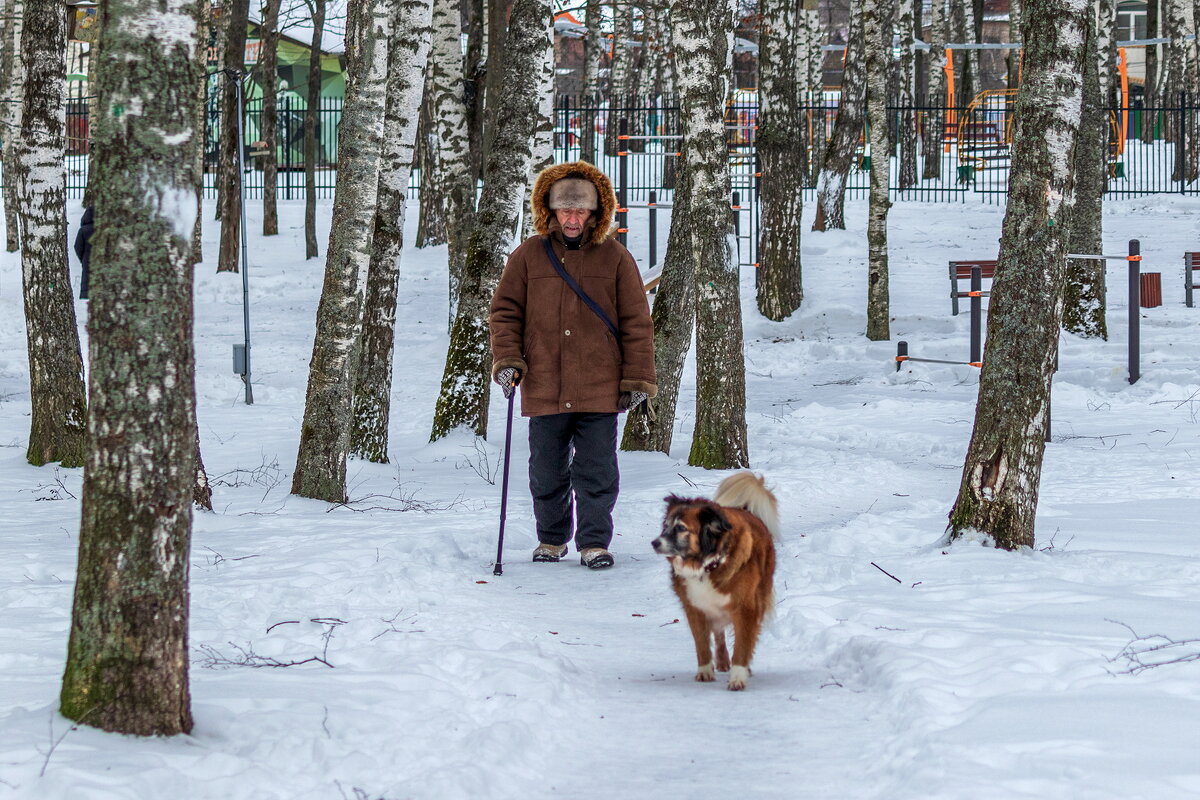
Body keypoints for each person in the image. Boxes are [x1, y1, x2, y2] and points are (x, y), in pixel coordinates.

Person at [489, 161, 657, 570]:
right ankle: (551, 539)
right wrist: (508, 360)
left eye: (580, 211)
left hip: (600, 386)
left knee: (597, 472)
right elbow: (505, 313)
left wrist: (637, 378)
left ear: (596, 214)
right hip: (544, 383)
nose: (572, 218)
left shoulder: (616, 258)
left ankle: (594, 543)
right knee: (545, 472)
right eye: (565, 210)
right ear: (549, 211)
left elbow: (638, 323)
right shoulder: (527, 257)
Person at [73, 206, 95, 300]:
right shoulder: (103, 229)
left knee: (87, 280)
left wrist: (83, 259)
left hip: (87, 261)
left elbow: (77, 247)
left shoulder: (83, 230)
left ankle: (86, 296)